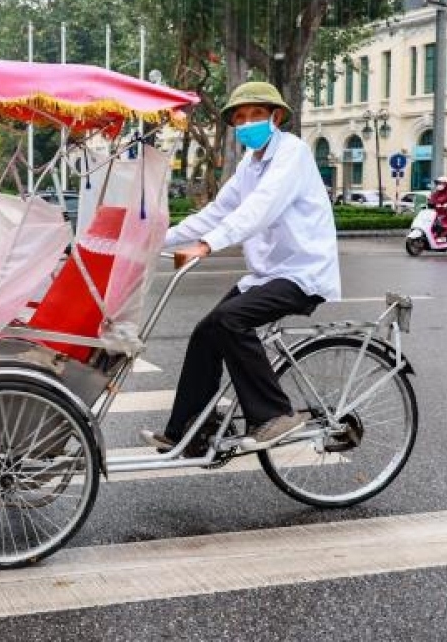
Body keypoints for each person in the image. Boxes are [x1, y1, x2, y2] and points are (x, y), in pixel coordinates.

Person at [141, 81, 342, 454]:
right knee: (206, 331)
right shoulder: (249, 167)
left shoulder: (292, 154)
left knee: (230, 321)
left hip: (302, 272)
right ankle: (189, 431)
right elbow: (217, 212)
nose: (247, 123)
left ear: (275, 118)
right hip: (267, 275)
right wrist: (155, 240)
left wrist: (209, 245)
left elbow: (261, 207)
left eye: (255, 115)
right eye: (240, 118)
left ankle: (275, 414)